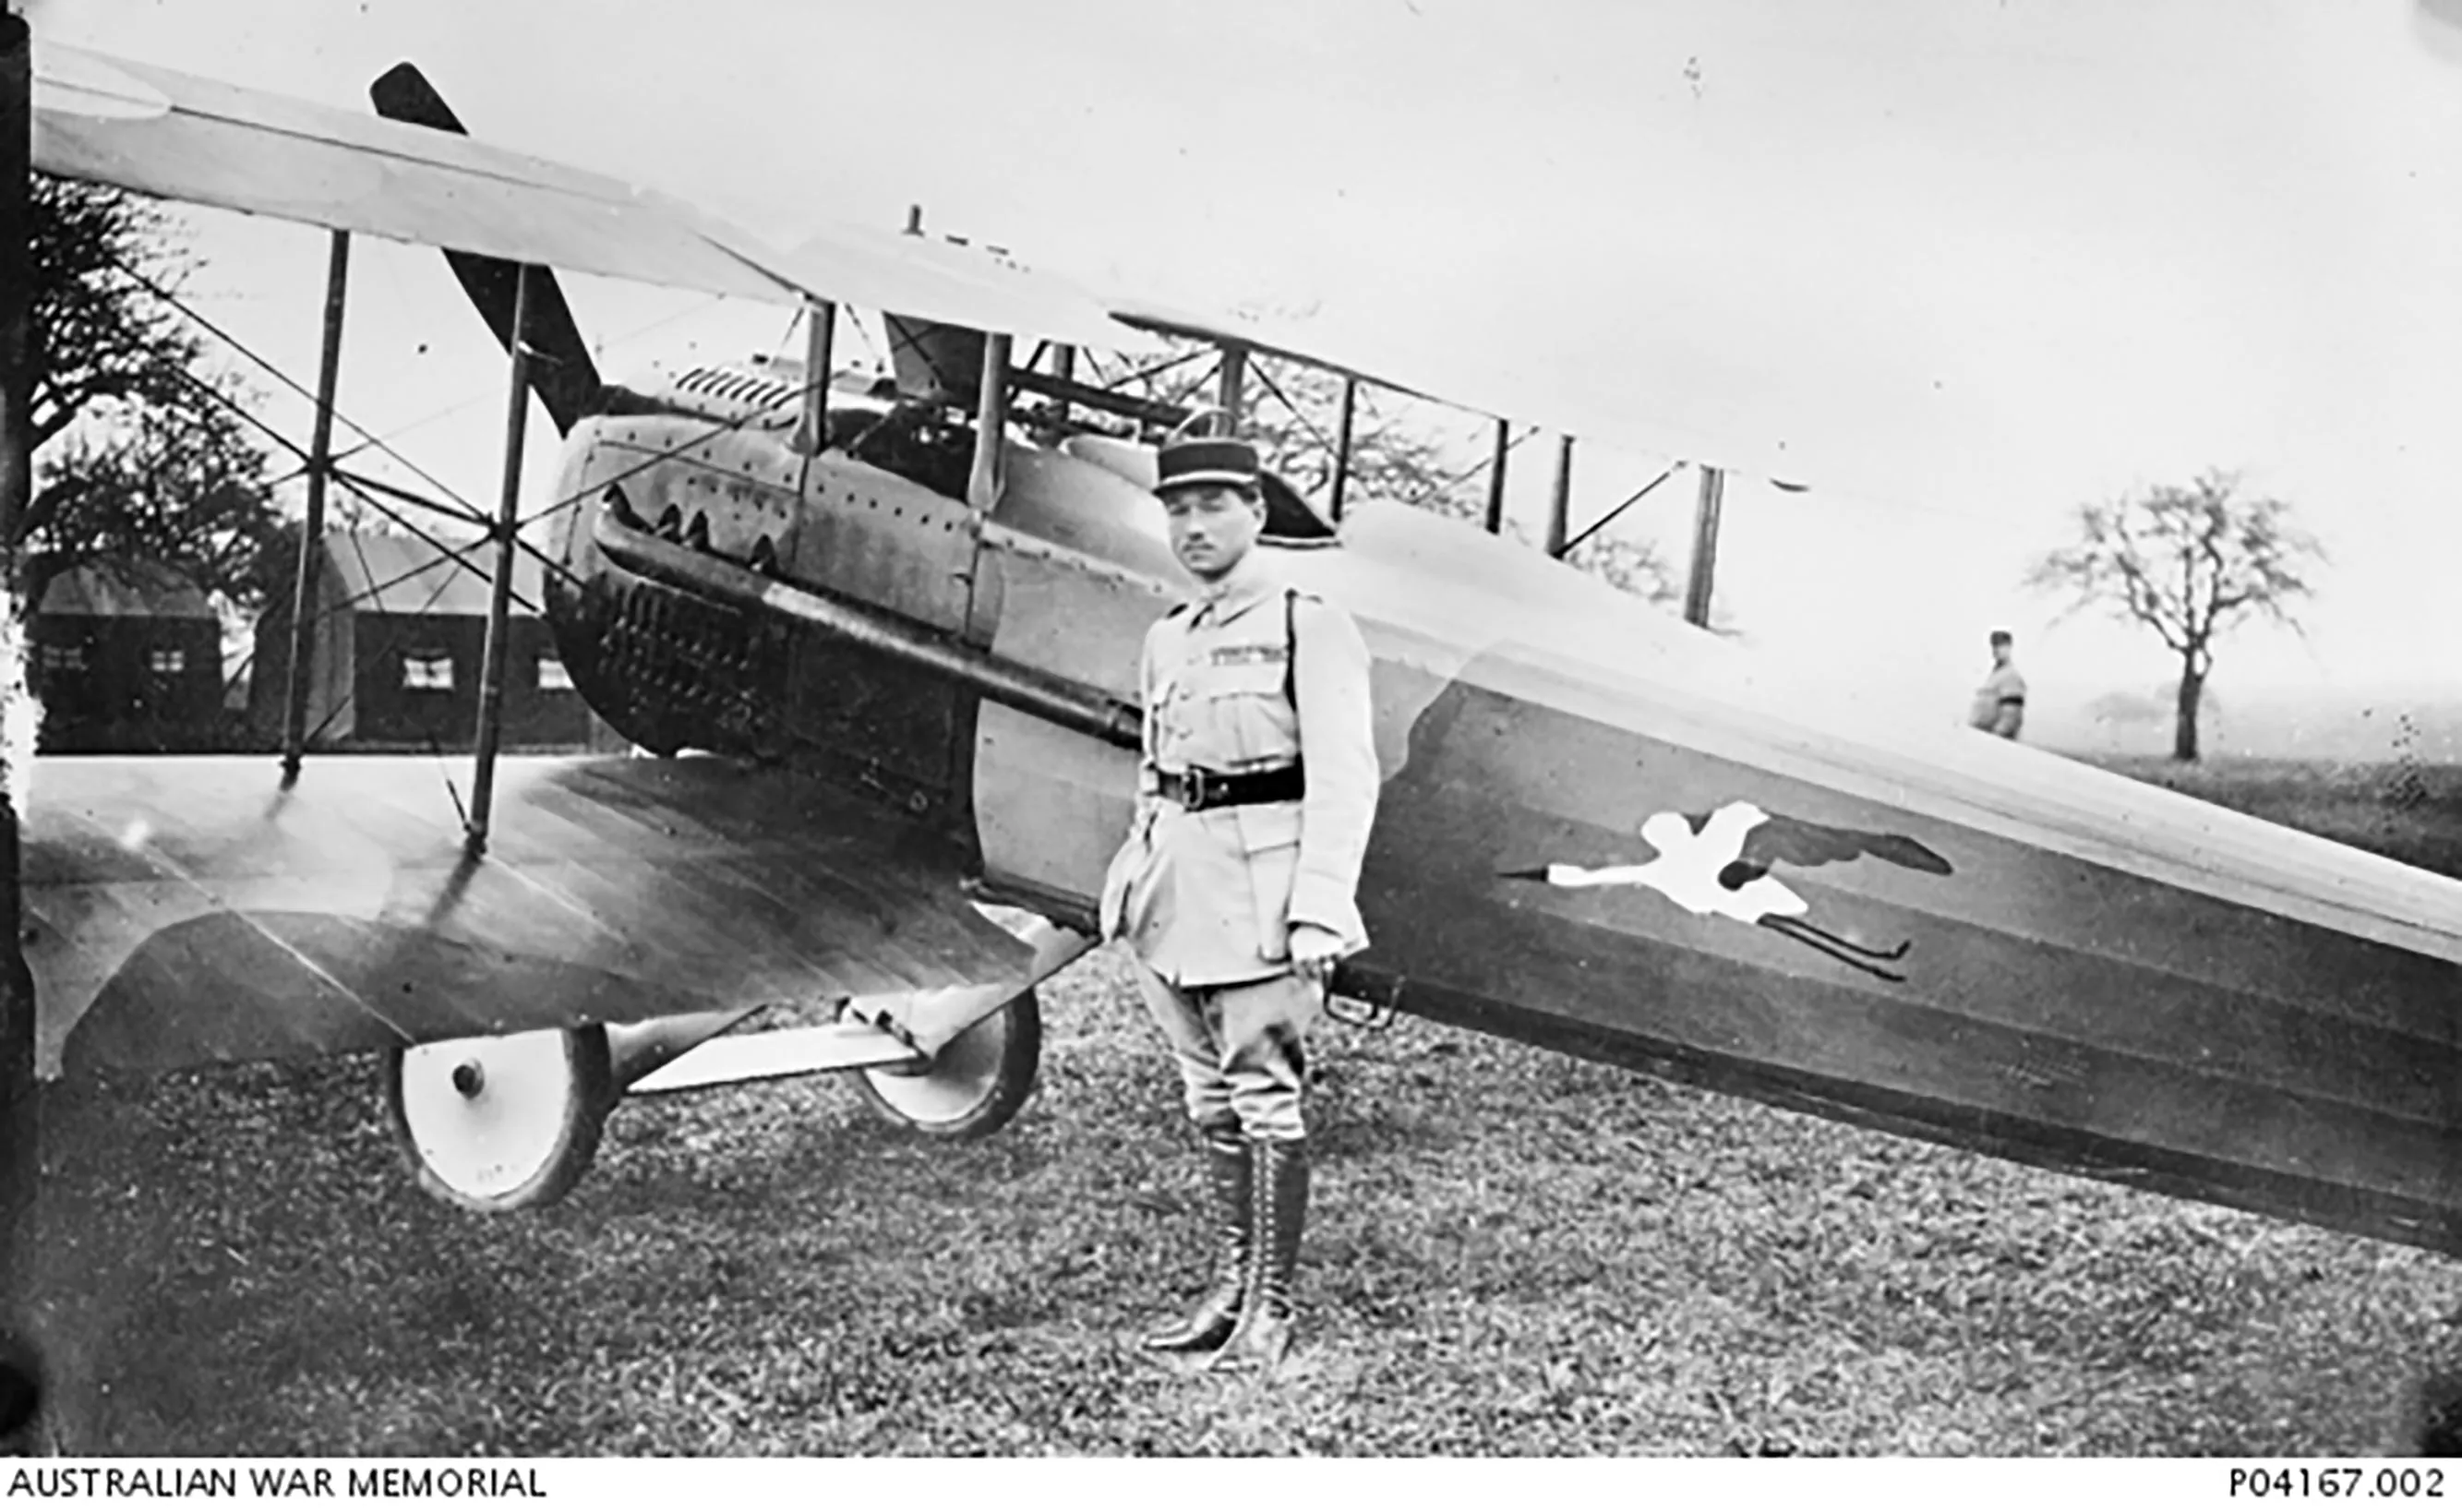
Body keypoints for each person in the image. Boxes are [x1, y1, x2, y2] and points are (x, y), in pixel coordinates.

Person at [1098, 435, 1380, 1372]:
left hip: (1265, 894)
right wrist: (1132, 877)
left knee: (1266, 1099)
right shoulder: (1168, 635)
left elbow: (1346, 777)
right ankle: (1230, 1286)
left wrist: (1319, 907)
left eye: (1214, 506)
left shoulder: (1310, 624)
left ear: (1257, 513)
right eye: (1177, 509)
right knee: (1208, 1099)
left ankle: (1271, 1310)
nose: (1193, 527)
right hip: (1175, 892)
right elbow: (1154, 772)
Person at [1967, 629, 2027, 739]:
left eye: (2001, 645)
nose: (1996, 649)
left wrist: (1997, 737)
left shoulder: (2011, 676)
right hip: (1980, 736)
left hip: (1994, 741)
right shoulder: (1993, 676)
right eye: (1994, 645)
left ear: (2009, 647)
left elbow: (2011, 715)